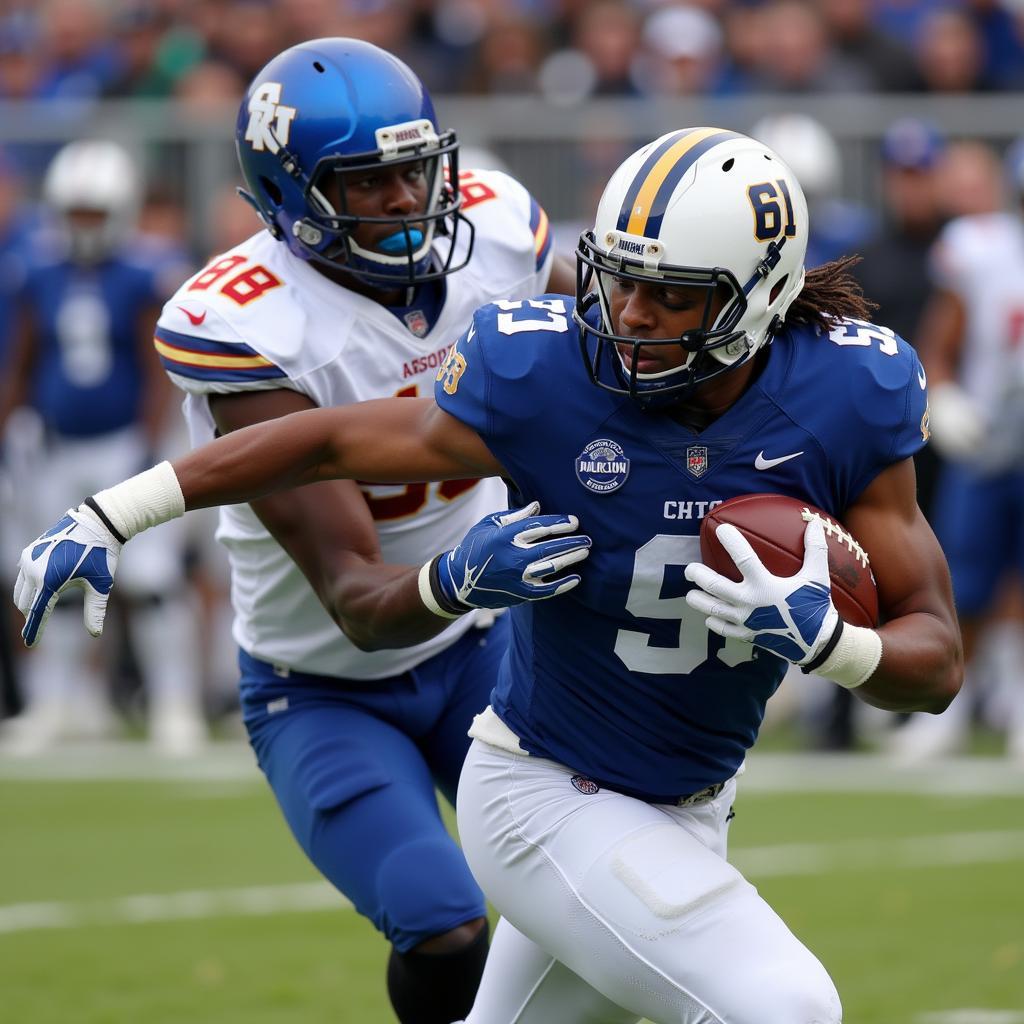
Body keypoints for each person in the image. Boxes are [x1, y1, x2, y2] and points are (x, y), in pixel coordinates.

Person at [14, 128, 963, 1024]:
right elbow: (328, 441)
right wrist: (116, 510)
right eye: (619, 280)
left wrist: (838, 645)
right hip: (542, 795)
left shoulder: (849, 393)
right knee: (787, 1007)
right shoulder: (549, 368)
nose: (629, 316)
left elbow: (936, 660)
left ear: (757, 296)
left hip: (690, 803)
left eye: (669, 295)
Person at [16, 37, 574, 1024]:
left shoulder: (495, 229)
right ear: (290, 194)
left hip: (486, 649)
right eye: (369, 181)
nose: (408, 198)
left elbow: (601, 336)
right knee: (442, 920)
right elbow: (359, 599)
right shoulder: (246, 322)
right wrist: (460, 576)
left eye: (415, 166)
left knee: (587, 891)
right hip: (324, 686)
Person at [0, 137, 207, 755]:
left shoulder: (147, 270)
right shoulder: (37, 269)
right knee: (54, 576)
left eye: (94, 212)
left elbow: (155, 366)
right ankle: (53, 702)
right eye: (75, 212)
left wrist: (149, 442)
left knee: (149, 581)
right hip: (57, 445)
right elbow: (25, 359)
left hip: (127, 444)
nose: (84, 226)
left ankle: (176, 702)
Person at [889, 137, 1024, 762]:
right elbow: (941, 339)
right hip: (994, 440)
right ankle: (952, 709)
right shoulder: (980, 248)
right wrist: (943, 394)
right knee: (963, 576)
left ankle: (1017, 703)